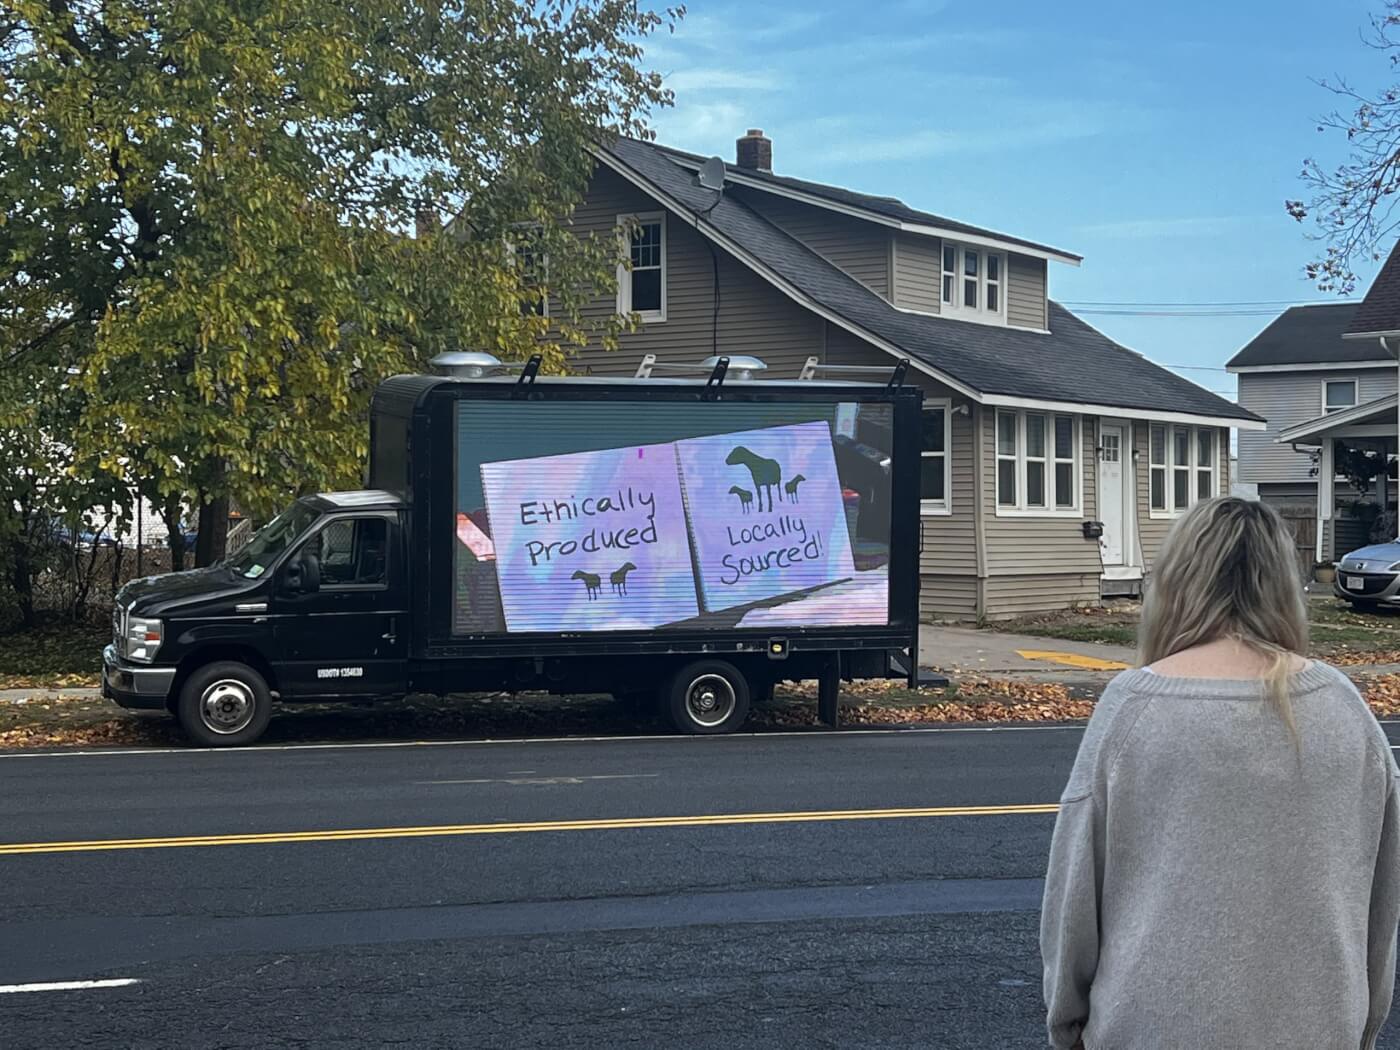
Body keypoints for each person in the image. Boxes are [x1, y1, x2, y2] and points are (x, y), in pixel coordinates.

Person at [1041, 496, 1400, 1049]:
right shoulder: (1342, 709)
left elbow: (1075, 904)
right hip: (1316, 1029)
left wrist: (1066, 1027)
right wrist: (1361, 1026)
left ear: (1177, 581)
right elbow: (1381, 903)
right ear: (1286, 584)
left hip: (1151, 1029)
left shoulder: (1134, 707)